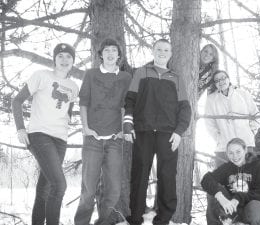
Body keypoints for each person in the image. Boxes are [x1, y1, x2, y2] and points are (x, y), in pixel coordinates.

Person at [123, 38, 192, 225]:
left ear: (171, 54)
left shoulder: (176, 78)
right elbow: (130, 100)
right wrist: (128, 125)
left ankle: (164, 218)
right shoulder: (141, 73)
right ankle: (136, 217)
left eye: (166, 50)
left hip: (168, 134)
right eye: (159, 49)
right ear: (153, 52)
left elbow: (185, 108)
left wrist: (178, 132)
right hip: (143, 131)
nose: (162, 52)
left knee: (167, 175)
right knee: (140, 174)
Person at [12, 43, 79, 225]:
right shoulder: (41, 76)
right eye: (60, 56)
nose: (64, 60)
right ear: (54, 59)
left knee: (45, 187)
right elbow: (17, 101)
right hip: (39, 134)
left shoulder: (74, 87)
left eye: (68, 57)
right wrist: (20, 128)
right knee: (60, 185)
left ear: (73, 61)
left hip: (60, 140)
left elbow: (67, 111)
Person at [74, 38, 132, 225]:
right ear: (100, 55)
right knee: (88, 190)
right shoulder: (90, 74)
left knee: (114, 190)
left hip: (115, 140)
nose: (110, 53)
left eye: (113, 50)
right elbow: (83, 102)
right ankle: (81, 223)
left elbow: (126, 105)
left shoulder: (125, 78)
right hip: (93, 139)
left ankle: (104, 222)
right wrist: (86, 128)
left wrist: (124, 129)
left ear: (119, 55)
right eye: (106, 50)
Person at [201, 138, 260, 225]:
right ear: (227, 154)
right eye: (231, 153)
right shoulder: (226, 168)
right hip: (231, 209)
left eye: (238, 152)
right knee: (212, 190)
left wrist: (238, 198)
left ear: (245, 150)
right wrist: (220, 196)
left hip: (251, 208)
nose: (235, 156)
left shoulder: (257, 167)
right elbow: (206, 179)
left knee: (255, 207)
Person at [204, 70, 260, 167]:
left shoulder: (243, 94)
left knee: (247, 178)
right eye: (217, 80)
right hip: (224, 147)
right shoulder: (211, 100)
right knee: (224, 179)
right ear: (215, 84)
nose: (221, 82)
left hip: (245, 144)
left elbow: (256, 115)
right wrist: (219, 138)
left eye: (223, 78)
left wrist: (251, 132)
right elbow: (209, 123)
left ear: (228, 79)